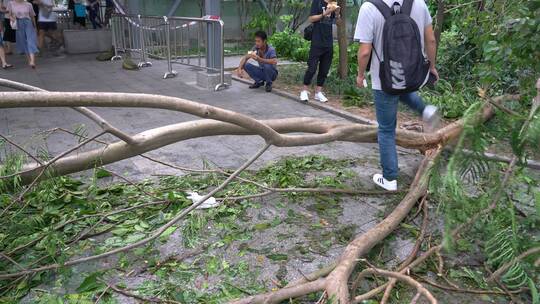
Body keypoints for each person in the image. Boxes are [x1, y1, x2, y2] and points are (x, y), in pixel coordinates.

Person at [354, 0, 439, 191]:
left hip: (383, 78)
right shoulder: (418, 3)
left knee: (386, 129)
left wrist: (360, 75)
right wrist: (432, 66)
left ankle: (390, 178)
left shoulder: (369, 7)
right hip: (409, 72)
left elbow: (365, 51)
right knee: (403, 91)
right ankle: (426, 110)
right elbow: (431, 39)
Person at [300, 0, 341, 103]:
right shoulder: (317, 2)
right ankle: (304, 90)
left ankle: (318, 92)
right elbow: (311, 19)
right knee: (312, 68)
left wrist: (336, 14)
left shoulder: (334, 4)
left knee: (324, 69)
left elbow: (339, 24)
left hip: (328, 43)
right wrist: (325, 13)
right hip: (317, 41)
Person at [8, 0, 38, 68]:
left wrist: (35, 27)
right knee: (23, 42)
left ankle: (32, 61)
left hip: (28, 22)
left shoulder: (28, 4)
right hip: (18, 23)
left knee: (31, 41)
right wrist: (12, 18)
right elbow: (9, 15)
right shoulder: (11, 3)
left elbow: (32, 16)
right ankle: (29, 60)